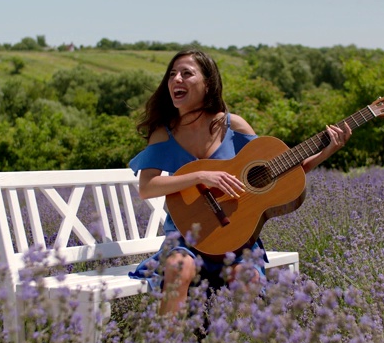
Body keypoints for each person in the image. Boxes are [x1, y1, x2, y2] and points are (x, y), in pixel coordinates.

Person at [128, 49, 351, 316]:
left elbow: (282, 170)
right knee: (177, 267)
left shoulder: (233, 127)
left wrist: (326, 152)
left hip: (237, 239)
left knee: (247, 280)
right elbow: (147, 187)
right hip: (185, 238)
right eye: (172, 74)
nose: (177, 79)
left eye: (187, 73)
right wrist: (201, 176)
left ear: (208, 82)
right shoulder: (163, 133)